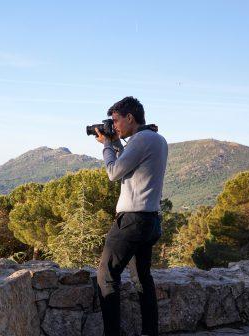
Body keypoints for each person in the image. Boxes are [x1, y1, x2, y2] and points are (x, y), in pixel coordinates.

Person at [93, 96, 168, 336]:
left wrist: (106, 144)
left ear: (130, 117)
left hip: (132, 221)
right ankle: (149, 331)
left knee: (106, 276)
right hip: (151, 220)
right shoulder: (156, 139)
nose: (113, 125)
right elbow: (130, 162)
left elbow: (115, 172)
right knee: (141, 277)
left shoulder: (141, 139)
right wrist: (116, 143)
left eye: (115, 120)